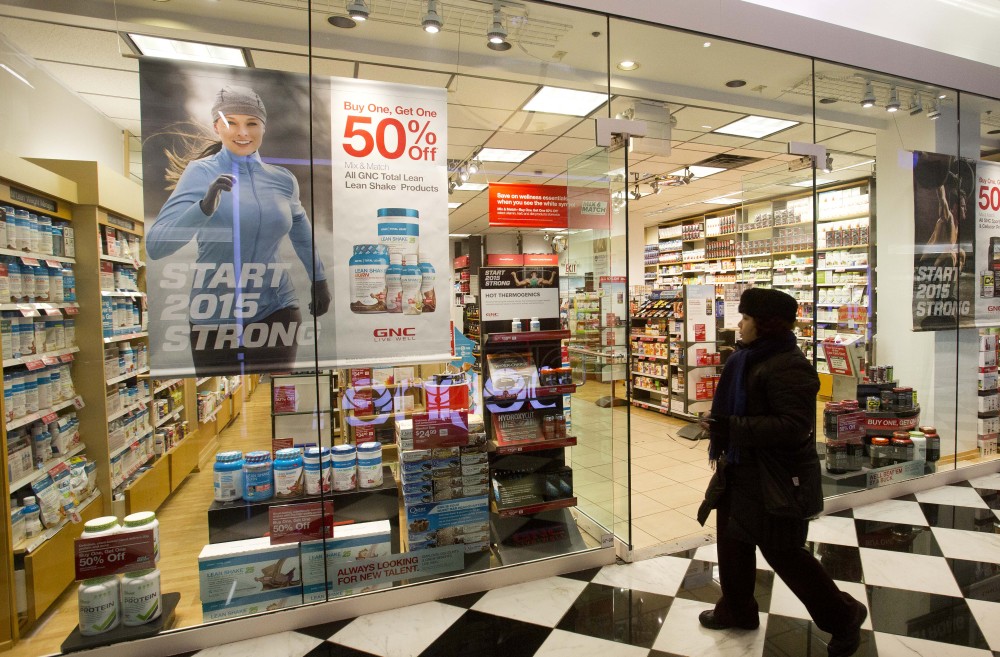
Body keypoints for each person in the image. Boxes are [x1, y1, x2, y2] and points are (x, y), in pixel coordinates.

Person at [696, 288, 868, 657]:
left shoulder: (788, 365)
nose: (739, 324)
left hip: (775, 477)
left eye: (745, 318)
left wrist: (733, 427)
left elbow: (795, 425)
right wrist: (725, 428)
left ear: (764, 323)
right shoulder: (748, 358)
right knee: (732, 545)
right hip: (741, 467)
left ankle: (844, 617)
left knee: (785, 555)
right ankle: (738, 610)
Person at [146, 85, 331, 375]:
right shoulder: (200, 172)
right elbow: (157, 246)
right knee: (216, 390)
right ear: (217, 126)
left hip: (277, 308)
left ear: (263, 128)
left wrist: (318, 279)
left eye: (252, 123)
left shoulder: (282, 179)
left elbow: (300, 229)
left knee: (281, 399)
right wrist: (203, 208)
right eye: (232, 123)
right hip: (214, 313)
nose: (243, 132)